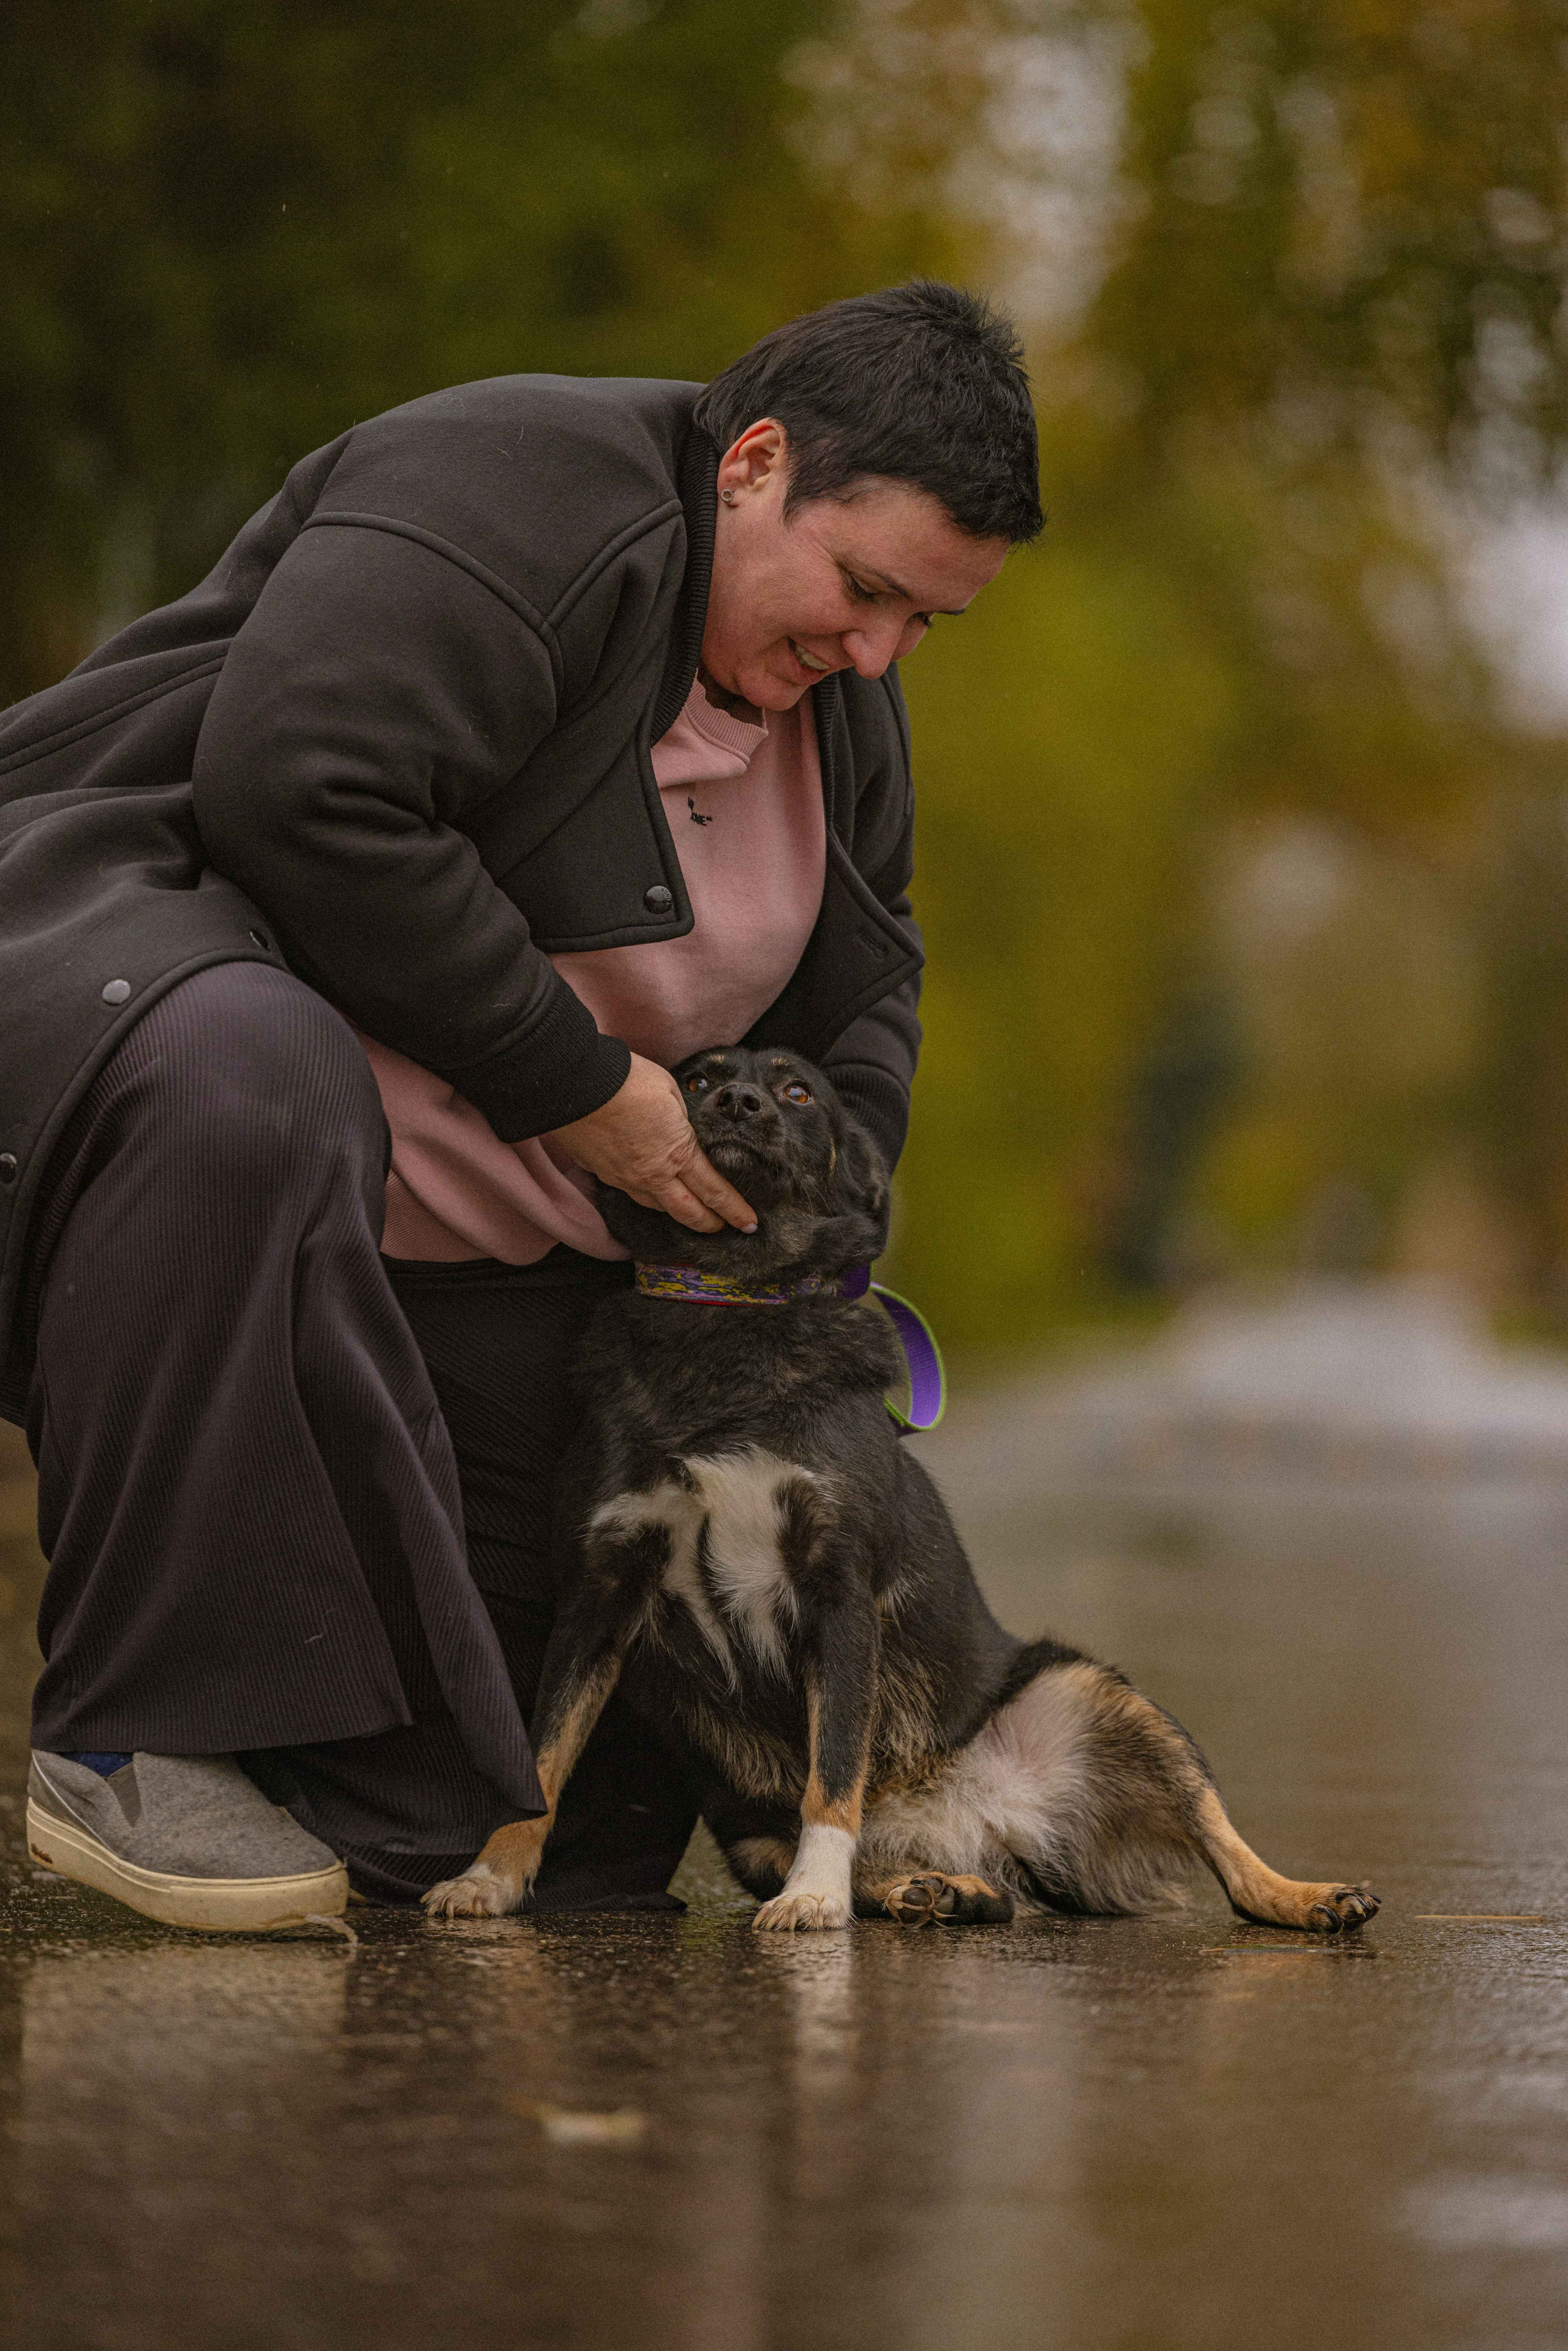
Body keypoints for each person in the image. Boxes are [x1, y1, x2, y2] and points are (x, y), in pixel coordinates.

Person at [0, 281, 1043, 1931]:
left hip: (490, 1288)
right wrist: (578, 1089)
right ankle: (138, 1737)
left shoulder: (839, 691)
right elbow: (300, 782)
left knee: (538, 1855)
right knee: (253, 1076)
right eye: (862, 590)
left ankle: (326, 1770)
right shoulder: (510, 487)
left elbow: (870, 986)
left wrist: (825, 1234)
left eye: (926, 623)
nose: (877, 654)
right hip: (126, 1092)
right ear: (755, 463)